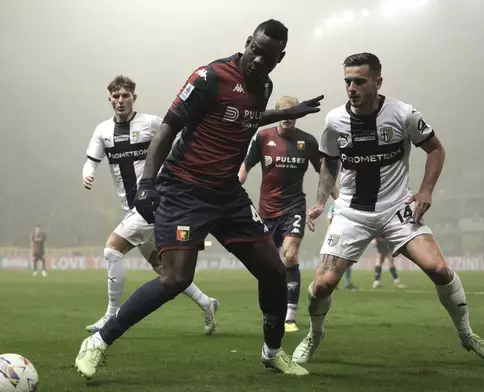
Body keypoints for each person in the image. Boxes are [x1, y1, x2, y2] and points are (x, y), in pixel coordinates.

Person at [75, 19, 325, 379]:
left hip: (227, 193)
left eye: (267, 56)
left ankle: (272, 352)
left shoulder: (264, 85)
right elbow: (168, 128)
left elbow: (245, 117)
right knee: (175, 279)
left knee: (273, 271)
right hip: (184, 189)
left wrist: (285, 113)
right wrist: (147, 183)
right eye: (255, 50)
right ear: (247, 42)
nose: (258, 60)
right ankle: (99, 340)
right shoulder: (209, 77)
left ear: (278, 58)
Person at [292, 52, 484, 364]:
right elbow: (329, 163)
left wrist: (426, 189)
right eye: (347, 81)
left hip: (397, 209)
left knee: (439, 269)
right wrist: (321, 201)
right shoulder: (335, 120)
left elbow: (436, 149)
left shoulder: (403, 114)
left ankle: (467, 334)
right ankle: (314, 334)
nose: (351, 87)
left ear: (378, 81)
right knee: (322, 285)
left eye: (359, 81)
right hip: (351, 212)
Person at [81, 75, 219, 334]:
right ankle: (207, 302)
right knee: (166, 270)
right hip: (129, 208)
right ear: (110, 98)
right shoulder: (102, 131)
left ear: (134, 97)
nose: (121, 101)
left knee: (112, 250)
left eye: (125, 96)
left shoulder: (151, 123)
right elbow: (91, 161)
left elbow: (178, 136)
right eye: (116, 96)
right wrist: (87, 173)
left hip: (152, 204)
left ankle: (111, 315)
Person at [239, 95, 338, 332]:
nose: (289, 118)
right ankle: (274, 308)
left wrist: (340, 200)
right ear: (278, 114)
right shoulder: (263, 138)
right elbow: (245, 167)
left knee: (290, 255)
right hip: (266, 210)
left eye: (293, 113)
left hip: (294, 208)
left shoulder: (307, 142)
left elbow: (325, 173)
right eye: (285, 112)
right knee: (271, 265)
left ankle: (290, 315)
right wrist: (231, 186)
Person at [327, 203, 357, 290]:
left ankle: (346, 283)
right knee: (336, 259)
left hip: (344, 234)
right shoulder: (334, 206)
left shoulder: (345, 206)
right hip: (337, 234)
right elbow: (329, 218)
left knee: (346, 259)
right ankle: (333, 282)